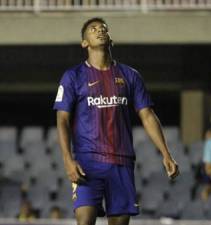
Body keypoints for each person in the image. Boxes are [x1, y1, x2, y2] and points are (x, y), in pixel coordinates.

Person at [53, 17, 179, 225]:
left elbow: (147, 115)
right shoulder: (72, 76)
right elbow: (62, 119)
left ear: (111, 39)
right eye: (93, 29)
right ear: (84, 42)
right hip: (88, 161)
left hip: (121, 161)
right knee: (84, 221)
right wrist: (68, 159)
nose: (100, 31)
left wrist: (166, 153)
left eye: (104, 28)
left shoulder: (130, 75)